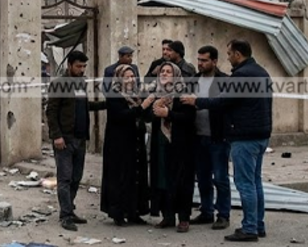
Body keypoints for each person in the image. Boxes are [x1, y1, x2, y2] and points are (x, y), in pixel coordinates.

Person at [184, 39, 272, 242]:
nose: (229, 58)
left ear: (238, 55)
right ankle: (258, 225)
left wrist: (196, 101)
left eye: (230, 54)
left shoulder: (241, 75)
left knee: (245, 184)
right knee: (255, 182)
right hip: (260, 135)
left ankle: (249, 228)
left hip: (245, 137)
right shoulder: (261, 72)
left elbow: (223, 101)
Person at [45, 50, 106, 231]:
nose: (81, 70)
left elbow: (84, 107)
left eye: (84, 66)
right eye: (78, 66)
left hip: (80, 138)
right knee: (64, 178)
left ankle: (70, 209)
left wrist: (106, 104)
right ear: (69, 65)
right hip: (65, 139)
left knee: (76, 177)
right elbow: (51, 112)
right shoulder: (59, 84)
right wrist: (56, 136)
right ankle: (65, 215)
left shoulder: (81, 83)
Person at [146, 62, 196, 233]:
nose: (165, 74)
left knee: (181, 180)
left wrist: (168, 114)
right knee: (162, 179)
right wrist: (152, 107)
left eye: (168, 71)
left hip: (180, 143)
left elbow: (189, 118)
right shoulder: (155, 92)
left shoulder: (183, 92)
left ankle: (183, 218)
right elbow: (147, 116)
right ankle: (167, 216)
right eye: (162, 71)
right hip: (160, 143)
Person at [100, 64, 150, 226]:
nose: (130, 80)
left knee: (135, 176)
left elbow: (145, 116)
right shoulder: (114, 94)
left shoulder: (137, 94)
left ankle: (134, 211)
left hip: (135, 140)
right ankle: (118, 212)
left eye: (132, 76)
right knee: (119, 176)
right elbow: (120, 116)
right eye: (126, 77)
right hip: (118, 143)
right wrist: (142, 107)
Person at [190, 45, 231, 230]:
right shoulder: (193, 80)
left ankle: (223, 214)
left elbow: (224, 106)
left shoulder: (224, 81)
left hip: (217, 137)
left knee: (220, 178)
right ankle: (206, 211)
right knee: (203, 178)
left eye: (204, 60)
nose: (200, 63)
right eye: (198, 60)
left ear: (214, 61)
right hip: (198, 137)